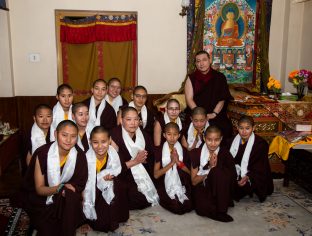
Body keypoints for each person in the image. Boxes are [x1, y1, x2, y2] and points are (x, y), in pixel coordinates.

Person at [20, 120, 88, 236]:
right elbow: (39, 189)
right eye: (64, 135)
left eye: (73, 136)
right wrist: (59, 188)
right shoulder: (42, 153)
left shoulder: (80, 155)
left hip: (67, 200)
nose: (68, 140)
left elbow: (80, 184)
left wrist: (70, 194)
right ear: (56, 134)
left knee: (69, 196)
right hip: (43, 200)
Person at [111, 107, 159, 210]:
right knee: (134, 198)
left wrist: (144, 160)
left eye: (136, 119)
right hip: (123, 174)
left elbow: (151, 157)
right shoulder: (114, 135)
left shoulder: (144, 135)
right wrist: (136, 161)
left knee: (145, 197)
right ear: (121, 120)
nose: (133, 123)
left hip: (143, 172)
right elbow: (114, 165)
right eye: (129, 119)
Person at [82, 126, 129, 232]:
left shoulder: (113, 154)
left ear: (110, 140)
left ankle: (116, 213)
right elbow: (82, 184)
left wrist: (111, 179)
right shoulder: (85, 158)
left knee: (118, 183)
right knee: (100, 225)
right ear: (90, 142)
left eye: (103, 142)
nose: (99, 146)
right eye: (95, 142)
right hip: (92, 194)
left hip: (109, 189)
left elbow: (118, 171)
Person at [190, 125, 236, 222]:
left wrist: (216, 171)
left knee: (219, 172)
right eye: (209, 140)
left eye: (217, 140)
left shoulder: (225, 154)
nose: (213, 144)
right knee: (201, 209)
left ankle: (221, 210)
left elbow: (232, 178)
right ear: (204, 138)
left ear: (221, 139)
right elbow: (194, 182)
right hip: (202, 187)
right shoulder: (195, 153)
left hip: (220, 191)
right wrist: (209, 168)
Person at [184, 50, 233, 140]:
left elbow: (222, 99)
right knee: (188, 128)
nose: (201, 63)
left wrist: (214, 114)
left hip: (215, 114)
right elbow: (189, 99)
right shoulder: (191, 78)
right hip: (196, 113)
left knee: (225, 128)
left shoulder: (220, 77)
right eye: (198, 61)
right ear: (195, 64)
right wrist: (200, 116)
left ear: (210, 60)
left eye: (204, 60)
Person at [228, 115, 274, 202]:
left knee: (238, 190)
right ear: (237, 128)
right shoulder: (231, 141)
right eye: (241, 128)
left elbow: (260, 167)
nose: (244, 132)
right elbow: (227, 161)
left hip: (252, 175)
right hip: (236, 173)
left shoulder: (261, 144)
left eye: (247, 128)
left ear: (253, 128)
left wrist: (247, 177)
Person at [154, 122, 192, 214]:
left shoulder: (183, 150)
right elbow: (156, 175)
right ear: (164, 135)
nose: (172, 137)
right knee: (175, 206)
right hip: (164, 183)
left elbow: (190, 173)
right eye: (169, 134)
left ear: (179, 135)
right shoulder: (159, 150)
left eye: (175, 134)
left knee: (188, 205)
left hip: (182, 182)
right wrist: (171, 163)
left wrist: (179, 163)